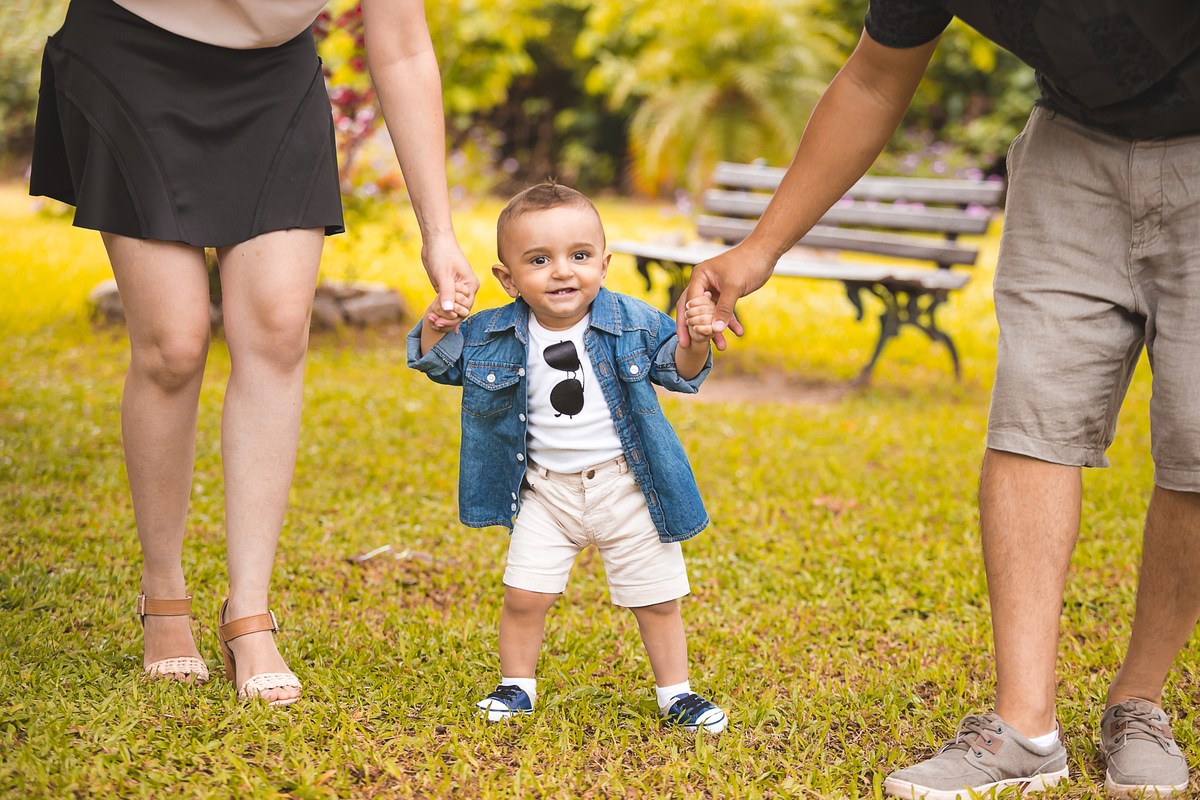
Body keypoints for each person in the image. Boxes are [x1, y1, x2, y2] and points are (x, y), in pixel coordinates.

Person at [678, 2, 1200, 796]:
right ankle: (1024, 726)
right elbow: (874, 76)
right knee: (1034, 416)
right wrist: (761, 247)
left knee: (1197, 442)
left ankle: (1139, 700)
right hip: (1074, 147)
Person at [29, 0, 477, 706]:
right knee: (172, 345)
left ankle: (249, 610)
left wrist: (439, 232)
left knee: (276, 329)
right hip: (133, 55)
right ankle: (162, 591)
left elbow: (402, 49)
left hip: (274, 76)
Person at [408, 184, 728, 732]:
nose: (562, 272)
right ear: (508, 278)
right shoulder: (491, 332)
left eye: (579, 257)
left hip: (628, 486)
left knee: (656, 598)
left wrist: (695, 337)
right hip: (544, 491)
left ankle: (677, 694)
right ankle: (516, 687)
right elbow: (439, 364)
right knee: (524, 595)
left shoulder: (631, 320)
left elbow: (678, 370)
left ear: (604, 263)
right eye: (539, 260)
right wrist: (440, 323)